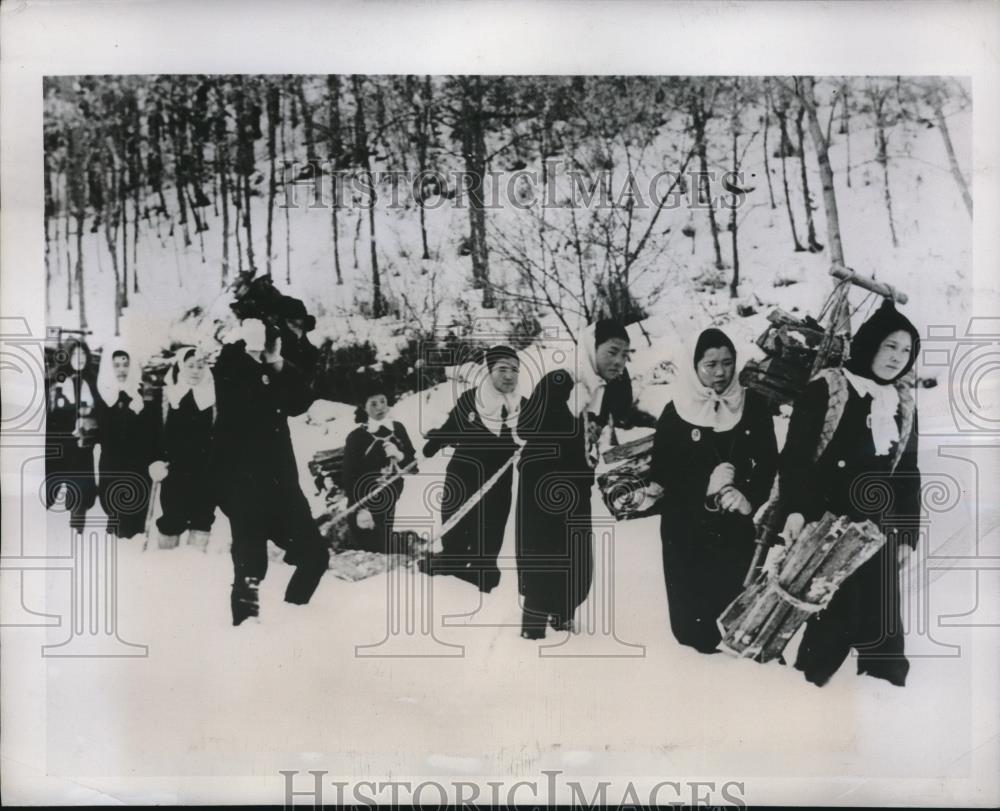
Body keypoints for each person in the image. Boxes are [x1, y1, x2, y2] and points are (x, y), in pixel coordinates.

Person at [778, 299, 921, 687]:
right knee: (834, 610)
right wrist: (794, 511)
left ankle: (885, 689)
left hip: (878, 526)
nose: (897, 358)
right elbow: (795, 459)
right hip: (829, 522)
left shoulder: (902, 401)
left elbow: (907, 472)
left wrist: (907, 534)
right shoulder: (829, 389)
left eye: (906, 350)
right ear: (870, 343)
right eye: (889, 346)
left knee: (883, 616)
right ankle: (809, 688)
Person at [650, 328, 778, 654]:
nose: (720, 372)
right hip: (687, 529)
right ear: (694, 367)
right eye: (710, 364)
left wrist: (747, 495)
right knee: (694, 632)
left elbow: (768, 464)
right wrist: (706, 488)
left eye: (727, 363)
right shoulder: (676, 411)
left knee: (733, 613)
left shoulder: (754, 407)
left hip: (736, 524)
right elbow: (663, 473)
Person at [515, 319, 634, 639]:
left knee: (578, 561)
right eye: (612, 352)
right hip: (542, 480)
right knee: (545, 555)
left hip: (577, 479)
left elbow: (624, 415)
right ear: (590, 348)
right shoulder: (559, 379)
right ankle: (532, 634)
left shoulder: (611, 385)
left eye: (625, 354)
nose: (619, 361)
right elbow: (525, 428)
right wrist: (566, 415)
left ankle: (565, 620)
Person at [212, 318, 330, 626]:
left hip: (283, 488)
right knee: (250, 570)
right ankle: (245, 629)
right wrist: (248, 351)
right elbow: (231, 385)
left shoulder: (270, 373)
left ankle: (294, 613)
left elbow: (301, 401)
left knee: (315, 556)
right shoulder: (230, 368)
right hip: (245, 488)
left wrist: (276, 360)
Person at [419, 344, 525, 592]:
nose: (509, 375)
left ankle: (481, 588)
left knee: (488, 543)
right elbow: (448, 430)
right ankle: (446, 584)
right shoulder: (470, 400)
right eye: (502, 369)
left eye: (514, 370)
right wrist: (425, 452)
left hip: (497, 486)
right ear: (489, 371)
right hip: (462, 479)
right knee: (455, 538)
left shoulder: (523, 407)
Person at [149, 346, 217, 550]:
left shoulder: (213, 397)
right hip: (175, 468)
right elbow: (157, 431)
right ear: (181, 367)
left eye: (200, 366)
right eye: (190, 366)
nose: (195, 371)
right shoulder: (170, 395)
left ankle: (195, 563)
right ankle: (167, 564)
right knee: (173, 515)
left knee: (202, 516)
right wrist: (157, 459)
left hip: (205, 468)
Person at [341, 382, 419, 554]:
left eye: (383, 401)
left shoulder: (397, 429)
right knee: (372, 549)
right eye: (373, 404)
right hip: (364, 502)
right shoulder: (357, 437)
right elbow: (348, 476)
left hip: (389, 496)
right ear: (364, 407)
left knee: (384, 545)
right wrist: (360, 509)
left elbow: (413, 468)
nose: (380, 408)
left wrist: (400, 456)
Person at [95, 343, 157, 539]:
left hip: (137, 459)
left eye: (125, 364)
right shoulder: (103, 393)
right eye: (116, 365)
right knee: (112, 496)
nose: (121, 369)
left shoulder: (142, 393)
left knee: (137, 499)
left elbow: (152, 427)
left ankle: (134, 537)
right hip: (112, 458)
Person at [45, 339, 99, 534]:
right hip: (59, 448)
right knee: (50, 493)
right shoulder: (54, 382)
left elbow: (98, 413)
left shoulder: (92, 382)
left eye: (83, 354)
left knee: (81, 496)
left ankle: (77, 534)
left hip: (82, 449)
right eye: (75, 355)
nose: (80, 359)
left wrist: (90, 425)